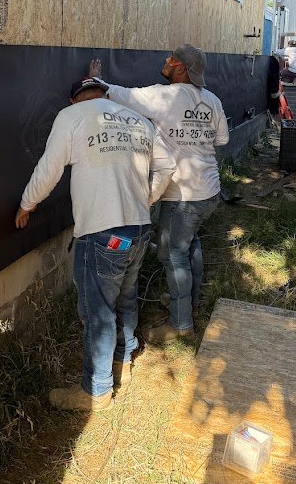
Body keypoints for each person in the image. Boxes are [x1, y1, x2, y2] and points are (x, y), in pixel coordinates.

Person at [16, 76, 175, 412]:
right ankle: (124, 362)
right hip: (138, 229)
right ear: (104, 94)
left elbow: (49, 168)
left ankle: (97, 391)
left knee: (98, 312)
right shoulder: (137, 119)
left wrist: (27, 204)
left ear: (76, 100)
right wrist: (147, 198)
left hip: (103, 234)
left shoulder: (71, 117)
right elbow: (167, 164)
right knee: (126, 296)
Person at [88, 45, 229, 343]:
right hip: (210, 191)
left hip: (183, 195)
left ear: (180, 68)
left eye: (171, 59)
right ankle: (187, 300)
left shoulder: (164, 96)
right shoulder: (213, 99)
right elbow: (222, 139)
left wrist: (96, 79)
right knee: (190, 243)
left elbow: (121, 94)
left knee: (172, 253)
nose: (165, 62)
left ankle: (180, 324)